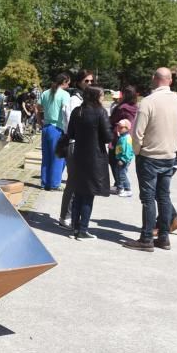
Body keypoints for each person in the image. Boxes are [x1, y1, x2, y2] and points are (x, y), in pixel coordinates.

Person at [122, 67, 177, 253]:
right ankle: (164, 237)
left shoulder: (148, 102)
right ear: (170, 81)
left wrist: (137, 151)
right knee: (164, 197)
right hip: (169, 155)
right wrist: (172, 148)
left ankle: (147, 238)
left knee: (148, 199)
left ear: (154, 79)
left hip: (149, 155)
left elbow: (137, 132)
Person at [64, 86, 113, 240]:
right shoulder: (100, 112)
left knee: (78, 192)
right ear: (95, 96)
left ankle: (75, 228)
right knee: (88, 194)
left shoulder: (77, 111)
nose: (103, 98)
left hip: (79, 154)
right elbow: (107, 137)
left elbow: (70, 133)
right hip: (95, 157)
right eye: (101, 95)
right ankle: (83, 229)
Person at [59, 70, 94, 227]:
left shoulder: (87, 100)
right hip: (73, 143)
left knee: (79, 182)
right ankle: (65, 216)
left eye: (91, 81)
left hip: (84, 144)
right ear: (79, 82)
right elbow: (70, 124)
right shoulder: (74, 100)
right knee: (73, 182)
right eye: (86, 81)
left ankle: (72, 216)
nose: (90, 84)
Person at [39, 73, 71, 191]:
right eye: (68, 82)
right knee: (58, 156)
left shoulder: (45, 93)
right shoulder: (65, 95)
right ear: (64, 82)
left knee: (46, 156)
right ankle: (54, 184)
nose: (69, 85)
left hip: (46, 127)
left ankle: (44, 183)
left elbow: (38, 108)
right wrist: (68, 128)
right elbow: (65, 112)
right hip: (58, 128)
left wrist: (39, 122)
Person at [109, 86, 138, 192]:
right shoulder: (136, 107)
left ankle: (121, 185)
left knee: (114, 160)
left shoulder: (123, 108)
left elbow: (113, 121)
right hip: (130, 137)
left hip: (119, 137)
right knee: (124, 162)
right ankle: (121, 185)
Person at [113, 119, 134, 197]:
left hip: (124, 159)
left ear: (127, 128)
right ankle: (121, 188)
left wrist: (123, 159)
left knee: (122, 174)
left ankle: (127, 189)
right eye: (118, 126)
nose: (119, 128)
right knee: (121, 174)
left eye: (121, 127)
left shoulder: (127, 138)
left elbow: (128, 151)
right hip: (120, 158)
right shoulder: (122, 137)